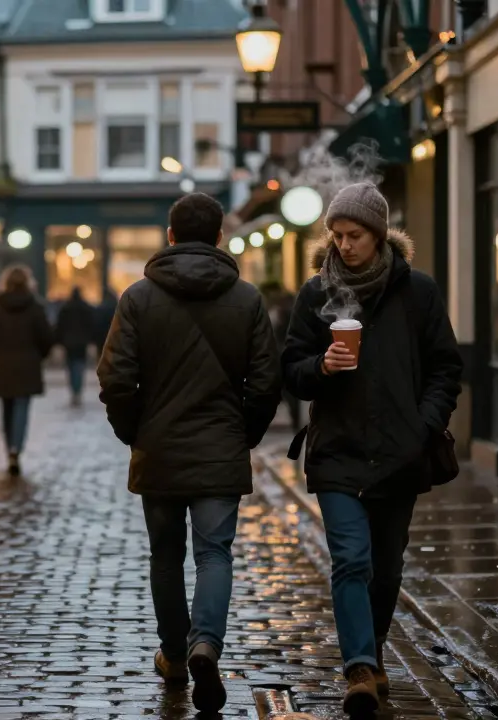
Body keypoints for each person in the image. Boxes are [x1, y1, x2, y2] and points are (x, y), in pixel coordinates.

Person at [281, 183, 462, 717]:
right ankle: (359, 666)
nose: (343, 245)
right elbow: (290, 369)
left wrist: (422, 428)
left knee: (386, 571)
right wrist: (321, 367)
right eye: (336, 235)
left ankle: (373, 652)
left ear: (379, 234)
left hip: (399, 454)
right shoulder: (316, 294)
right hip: (337, 452)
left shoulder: (418, 292)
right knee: (351, 560)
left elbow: (446, 368)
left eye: (353, 235)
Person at [97, 193, 281, 712]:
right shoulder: (245, 299)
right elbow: (267, 382)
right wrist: (242, 433)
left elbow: (115, 378)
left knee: (165, 555)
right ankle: (207, 644)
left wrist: (134, 430)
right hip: (220, 447)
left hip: (158, 450)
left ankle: (175, 655)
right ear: (220, 236)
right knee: (214, 553)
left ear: (170, 235)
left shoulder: (137, 298)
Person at [0, 265, 54, 476]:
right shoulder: (35, 306)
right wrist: (38, 356)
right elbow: (46, 337)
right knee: (22, 407)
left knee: (7, 408)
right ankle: (16, 449)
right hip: (27, 365)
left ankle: (9, 447)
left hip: (2, 365)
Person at [260, 280, 301, 432]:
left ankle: (295, 422)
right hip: (279, 354)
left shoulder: (284, 306)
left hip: (283, 353)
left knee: (287, 392)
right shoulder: (272, 305)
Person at [54, 286, 97, 404]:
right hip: (82, 342)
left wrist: (58, 341)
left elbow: (59, 326)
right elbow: (92, 325)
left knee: (71, 366)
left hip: (68, 342)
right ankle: (77, 390)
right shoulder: (86, 308)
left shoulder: (65, 308)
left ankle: (74, 389)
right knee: (80, 366)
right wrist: (92, 340)